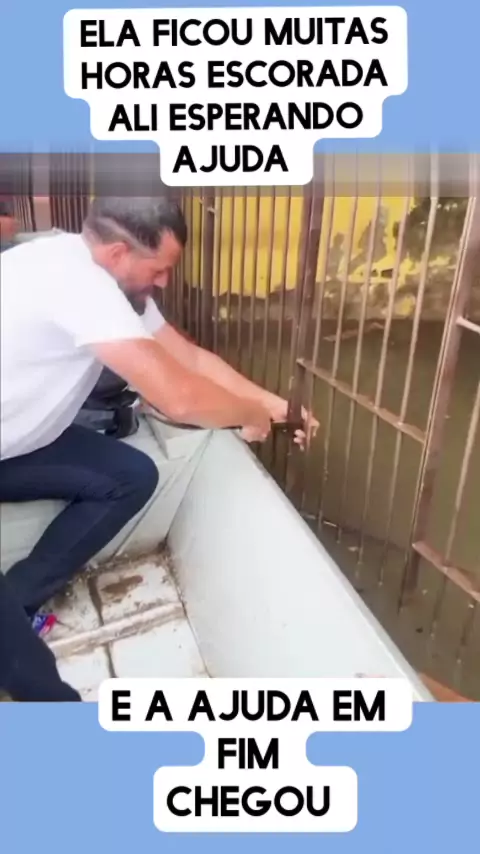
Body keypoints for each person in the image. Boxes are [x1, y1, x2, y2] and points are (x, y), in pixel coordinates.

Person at [0, 195, 317, 699]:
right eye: (161, 268)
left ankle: (21, 596)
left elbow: (188, 358)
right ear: (119, 253)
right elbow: (179, 397)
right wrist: (248, 415)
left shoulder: (100, 275)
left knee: (130, 477)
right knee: (19, 658)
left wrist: (274, 407)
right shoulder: (75, 284)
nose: (166, 282)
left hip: (15, 446)